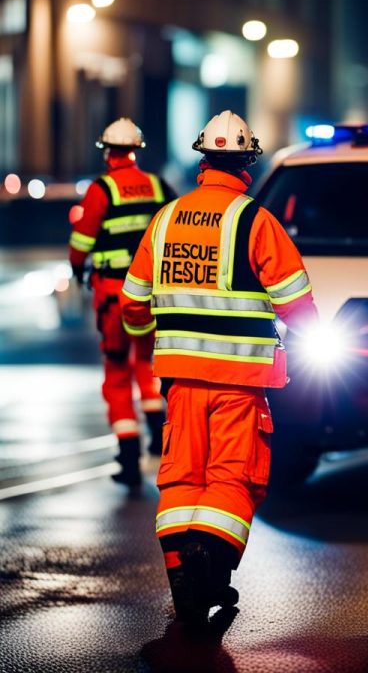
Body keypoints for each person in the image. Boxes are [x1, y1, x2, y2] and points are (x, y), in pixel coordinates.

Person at [120, 110, 318, 625]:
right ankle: (210, 570)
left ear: (203, 159)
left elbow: (133, 304)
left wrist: (150, 335)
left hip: (181, 381)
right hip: (240, 383)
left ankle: (182, 576)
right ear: (247, 164)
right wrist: (310, 338)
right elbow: (295, 300)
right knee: (233, 478)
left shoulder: (166, 218)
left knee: (181, 477)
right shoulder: (255, 220)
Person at [69, 118, 176, 487]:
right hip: (151, 296)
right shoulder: (159, 186)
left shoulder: (102, 190)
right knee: (149, 364)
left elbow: (82, 242)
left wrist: (77, 269)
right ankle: (159, 437)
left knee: (117, 372)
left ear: (108, 152)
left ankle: (128, 456)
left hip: (113, 297)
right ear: (136, 151)